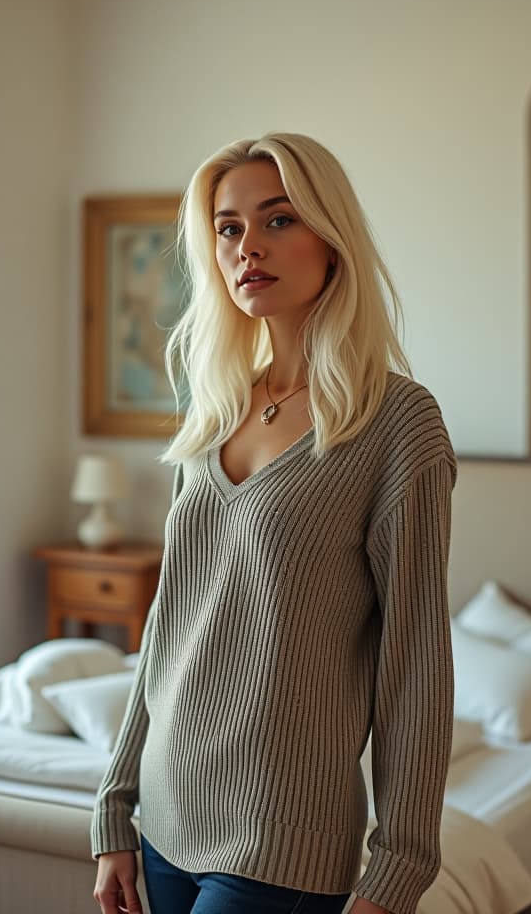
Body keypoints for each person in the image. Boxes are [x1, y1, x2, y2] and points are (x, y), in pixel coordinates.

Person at [92, 132, 456, 914]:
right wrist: (115, 804)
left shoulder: (398, 423)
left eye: (279, 219)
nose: (247, 246)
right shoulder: (214, 411)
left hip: (282, 835)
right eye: (227, 228)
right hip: (165, 810)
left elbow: (416, 656)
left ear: (333, 239)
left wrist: (400, 868)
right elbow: (170, 624)